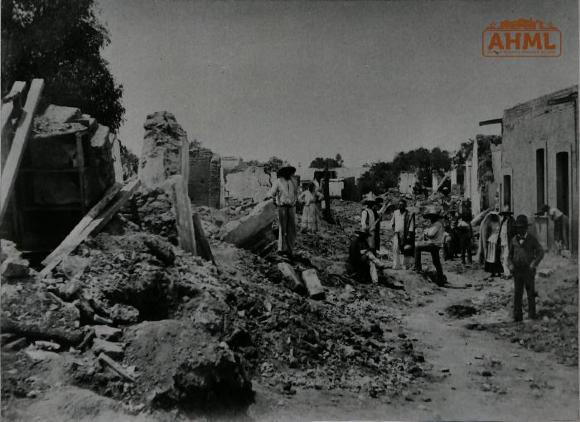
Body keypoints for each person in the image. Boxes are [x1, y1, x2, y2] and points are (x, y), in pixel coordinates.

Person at [508, 214, 544, 322]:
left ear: (526, 228)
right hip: (517, 271)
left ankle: (532, 316)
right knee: (517, 294)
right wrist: (510, 264)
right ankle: (517, 317)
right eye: (518, 228)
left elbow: (540, 252)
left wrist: (534, 263)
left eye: (522, 228)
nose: (520, 230)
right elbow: (509, 256)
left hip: (528, 270)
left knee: (530, 294)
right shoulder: (513, 240)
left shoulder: (532, 239)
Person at [266, 163, 298, 257]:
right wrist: (267, 197)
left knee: (292, 229)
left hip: (291, 207)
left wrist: (297, 201)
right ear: (284, 172)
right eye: (287, 172)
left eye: (290, 172)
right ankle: (281, 249)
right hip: (282, 207)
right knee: (283, 228)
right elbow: (272, 192)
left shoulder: (293, 182)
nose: (289, 174)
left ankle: (290, 249)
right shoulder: (278, 181)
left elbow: (296, 193)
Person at [414, 206, 446, 285]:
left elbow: (431, 234)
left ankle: (417, 267)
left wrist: (426, 232)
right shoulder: (434, 224)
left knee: (417, 247)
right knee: (436, 262)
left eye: (431, 217)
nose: (430, 218)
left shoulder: (437, 224)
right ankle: (440, 279)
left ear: (434, 217)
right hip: (435, 244)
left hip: (434, 244)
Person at [391, 199, 415, 270]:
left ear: (405, 205)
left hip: (405, 234)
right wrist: (394, 230)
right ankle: (396, 265)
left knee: (406, 249)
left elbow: (411, 225)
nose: (400, 206)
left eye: (402, 205)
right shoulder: (395, 212)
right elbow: (392, 222)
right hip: (397, 233)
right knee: (395, 248)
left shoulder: (409, 214)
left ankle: (405, 265)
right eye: (399, 204)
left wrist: (409, 234)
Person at [498, 205, 515, 279]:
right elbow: (500, 231)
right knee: (502, 257)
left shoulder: (512, 221)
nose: (505, 215)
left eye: (507, 214)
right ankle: (506, 272)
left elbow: (513, 232)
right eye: (504, 214)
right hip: (503, 241)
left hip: (509, 242)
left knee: (506, 257)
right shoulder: (503, 221)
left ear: (509, 214)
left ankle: (508, 274)